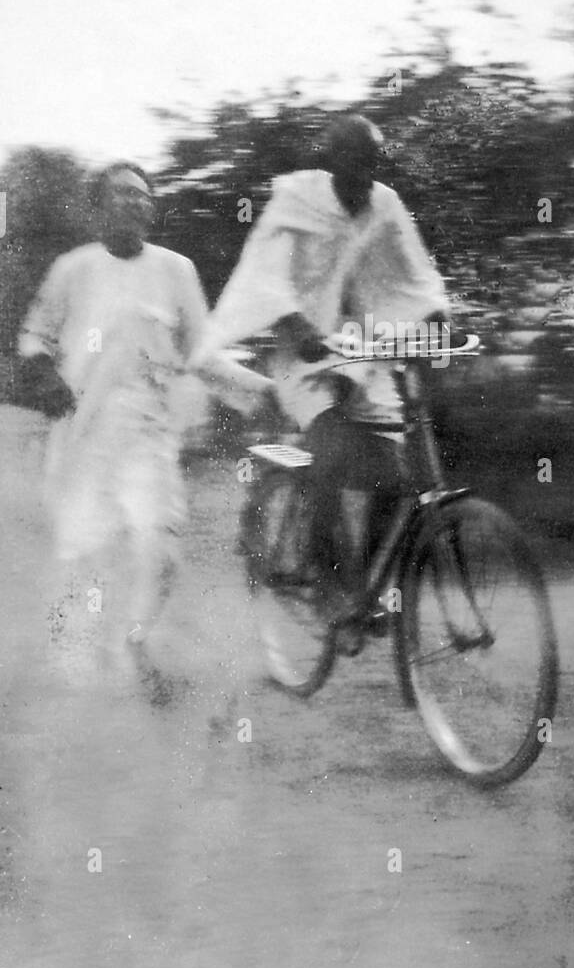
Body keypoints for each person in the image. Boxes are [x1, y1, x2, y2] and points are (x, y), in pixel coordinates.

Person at [199, 115, 450, 649]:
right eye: (354, 161)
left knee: (401, 474)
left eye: (373, 163)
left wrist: (437, 318)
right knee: (330, 452)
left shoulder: (384, 203)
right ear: (332, 159)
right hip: (302, 358)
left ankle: (363, 588)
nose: (365, 174)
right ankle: (330, 587)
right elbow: (263, 273)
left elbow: (415, 272)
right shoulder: (296, 198)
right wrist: (294, 324)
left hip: (359, 351)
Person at [17, 161, 269, 677]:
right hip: (83, 433)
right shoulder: (73, 268)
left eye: (143, 196)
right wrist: (41, 372)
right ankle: (77, 672)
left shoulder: (176, 270)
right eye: (122, 194)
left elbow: (202, 354)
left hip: (148, 435)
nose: (135, 203)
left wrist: (263, 391)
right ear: (97, 208)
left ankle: (138, 638)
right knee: (85, 551)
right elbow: (33, 336)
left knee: (162, 547)